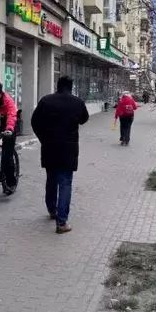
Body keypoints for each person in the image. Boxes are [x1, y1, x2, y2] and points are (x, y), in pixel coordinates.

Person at [31, 75, 89, 234]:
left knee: (51, 179)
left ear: (58, 85)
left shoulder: (46, 101)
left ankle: (52, 210)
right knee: (65, 183)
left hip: (49, 147)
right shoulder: (77, 102)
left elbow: (34, 122)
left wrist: (43, 138)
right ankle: (61, 223)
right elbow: (84, 119)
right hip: (68, 150)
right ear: (71, 86)